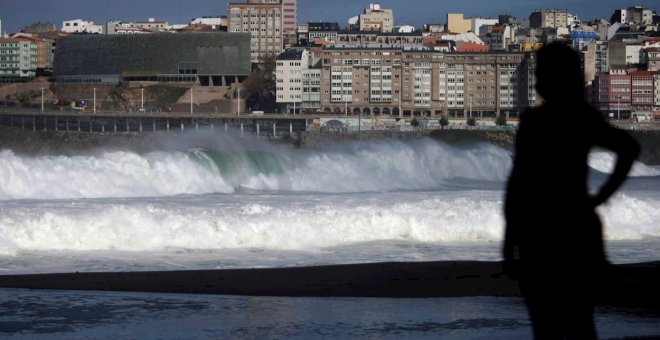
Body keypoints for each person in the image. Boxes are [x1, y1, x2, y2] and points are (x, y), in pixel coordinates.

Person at [502, 42, 640, 339]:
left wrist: (509, 242)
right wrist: (601, 196)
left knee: (546, 327)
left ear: (554, 78)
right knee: (581, 324)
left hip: (540, 236)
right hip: (578, 230)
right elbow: (629, 148)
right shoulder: (582, 117)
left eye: (541, 74)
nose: (537, 82)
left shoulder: (535, 122)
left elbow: (519, 186)